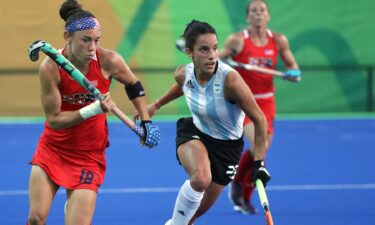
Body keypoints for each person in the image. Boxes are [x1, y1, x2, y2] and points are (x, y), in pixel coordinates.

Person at [26, 1, 160, 224]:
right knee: (36, 219)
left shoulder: (109, 60)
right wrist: (93, 109)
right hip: (53, 148)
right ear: (67, 36)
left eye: (96, 40)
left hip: (89, 153)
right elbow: (55, 120)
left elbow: (134, 85)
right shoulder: (50, 68)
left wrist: (146, 121)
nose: (92, 47)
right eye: (85, 40)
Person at [135, 20, 271, 225]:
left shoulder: (230, 81)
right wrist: (155, 105)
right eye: (204, 49)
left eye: (215, 48)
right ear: (190, 52)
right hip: (195, 132)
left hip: (227, 148)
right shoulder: (183, 73)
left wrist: (258, 163)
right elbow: (182, 86)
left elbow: (260, 120)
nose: (212, 55)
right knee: (200, 179)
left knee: (193, 215)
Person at [219, 0, 301, 214]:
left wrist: (292, 72)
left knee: (260, 153)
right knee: (257, 147)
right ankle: (237, 184)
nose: (258, 14)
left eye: (262, 10)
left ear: (268, 16)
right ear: (248, 17)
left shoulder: (278, 40)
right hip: (244, 101)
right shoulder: (237, 40)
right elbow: (216, 59)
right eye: (254, 11)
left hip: (267, 102)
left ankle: (242, 194)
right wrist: (218, 59)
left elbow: (293, 67)